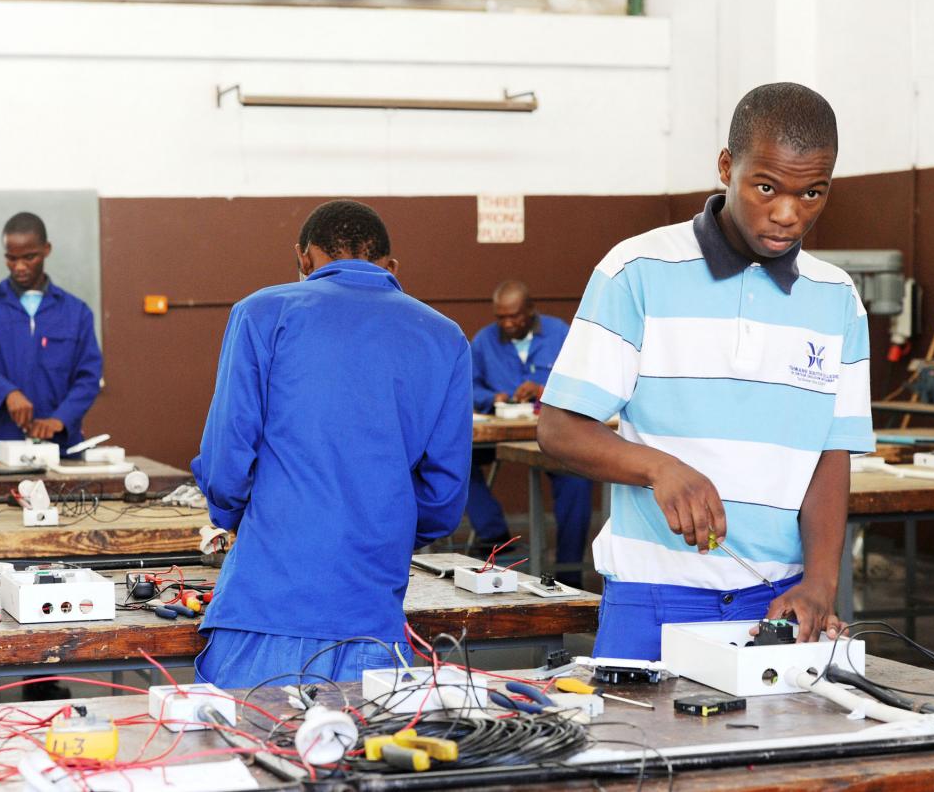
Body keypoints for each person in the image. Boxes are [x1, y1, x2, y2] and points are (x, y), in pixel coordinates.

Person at [537, 82, 873, 659]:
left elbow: (830, 453)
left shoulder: (837, 298)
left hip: (777, 604)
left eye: (812, 193)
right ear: (726, 167)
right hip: (653, 598)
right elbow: (559, 429)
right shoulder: (636, 270)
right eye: (766, 187)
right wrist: (658, 468)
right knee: (637, 748)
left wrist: (819, 582)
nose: (788, 214)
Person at [192, 200, 472, 689]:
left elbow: (225, 462)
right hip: (372, 619)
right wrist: (378, 528)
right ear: (391, 267)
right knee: (365, 757)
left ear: (303, 258)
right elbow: (444, 499)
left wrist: (242, 518)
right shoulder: (445, 338)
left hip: (266, 603)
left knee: (246, 750)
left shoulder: (261, 313)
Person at [469, 281, 592, 587]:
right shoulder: (484, 340)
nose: (508, 323)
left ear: (531, 311)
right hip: (496, 432)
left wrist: (543, 390)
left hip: (551, 431)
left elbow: (582, 377)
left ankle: (569, 570)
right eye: (501, 317)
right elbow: (468, 385)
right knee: (456, 462)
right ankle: (495, 536)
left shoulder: (559, 332)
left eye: (514, 316)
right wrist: (492, 397)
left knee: (577, 477)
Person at [0, 213, 102, 459]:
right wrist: (8, 394)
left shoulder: (76, 312)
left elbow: (88, 377)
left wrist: (61, 419)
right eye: (11, 258)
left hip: (61, 449)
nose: (20, 267)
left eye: (29, 257)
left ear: (46, 250)